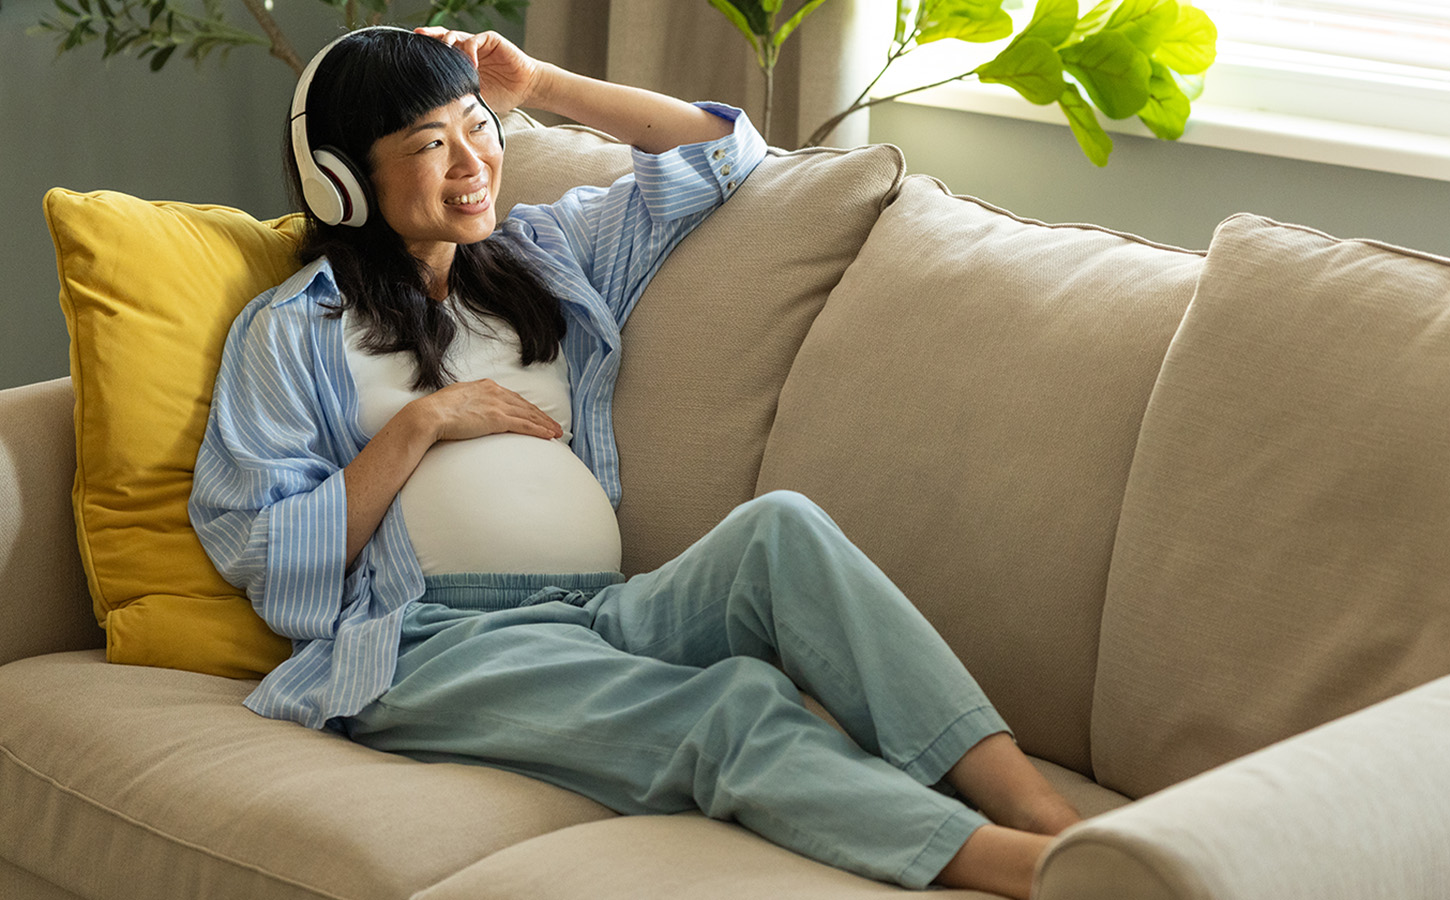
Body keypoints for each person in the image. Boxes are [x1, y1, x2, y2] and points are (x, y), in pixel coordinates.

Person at [188, 25, 1080, 898]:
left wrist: (538, 87)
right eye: (431, 143)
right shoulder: (291, 330)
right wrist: (417, 428)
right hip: (432, 645)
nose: (471, 161)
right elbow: (265, 554)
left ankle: (1053, 820)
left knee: (784, 530)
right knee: (733, 706)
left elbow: (726, 153)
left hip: (599, 610)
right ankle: (1042, 875)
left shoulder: (543, 259)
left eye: (476, 126)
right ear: (343, 180)